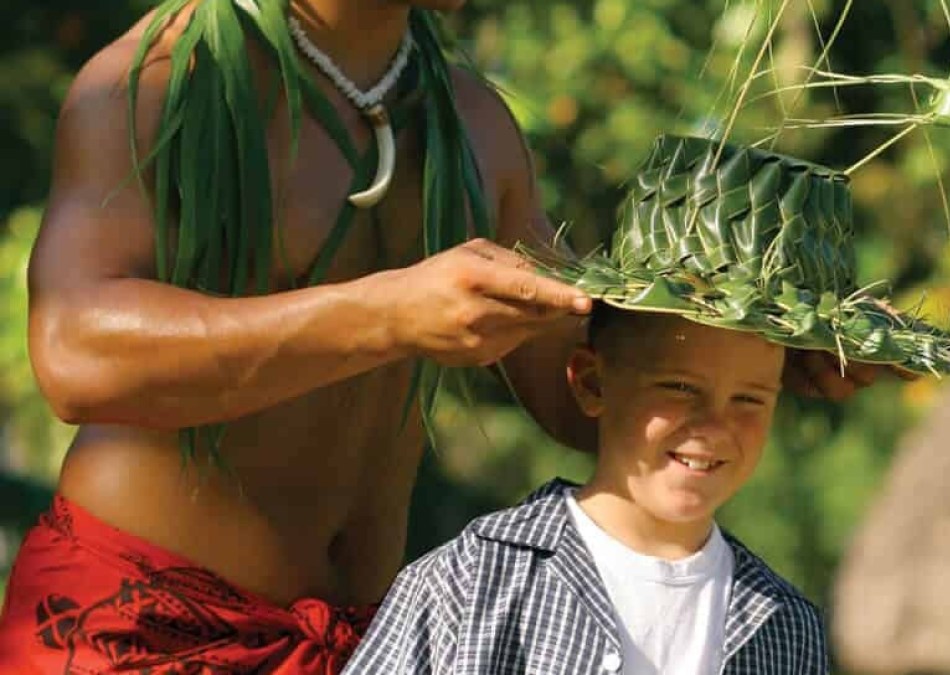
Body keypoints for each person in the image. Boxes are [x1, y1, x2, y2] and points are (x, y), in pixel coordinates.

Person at [0, 2, 880, 673]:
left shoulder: (476, 126)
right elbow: (74, 355)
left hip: (380, 636)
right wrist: (385, 312)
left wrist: (759, 354)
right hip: (136, 624)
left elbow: (585, 398)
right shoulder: (156, 83)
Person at [344, 135, 950, 674]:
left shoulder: (786, 626)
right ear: (593, 383)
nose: (713, 425)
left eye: (748, 397)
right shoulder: (471, 582)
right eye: (679, 387)